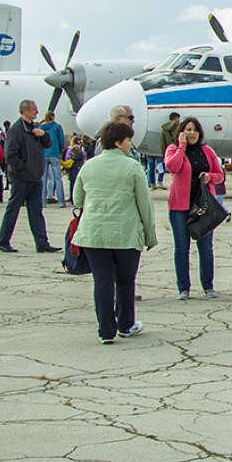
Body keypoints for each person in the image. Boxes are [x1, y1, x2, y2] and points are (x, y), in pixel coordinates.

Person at [73, 120, 157, 345]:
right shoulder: (132, 167)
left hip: (94, 233)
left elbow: (77, 199)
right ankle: (126, 324)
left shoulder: (89, 166)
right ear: (119, 142)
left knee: (102, 282)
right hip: (125, 234)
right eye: (129, 140)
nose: (131, 144)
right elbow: (144, 205)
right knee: (125, 281)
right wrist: (150, 234)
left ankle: (105, 330)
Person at [163, 116, 225, 299]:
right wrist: (182, 146)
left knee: (205, 247)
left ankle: (208, 285)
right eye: (188, 129)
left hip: (203, 205)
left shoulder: (207, 151)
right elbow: (172, 167)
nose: (191, 133)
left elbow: (220, 174)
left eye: (194, 130)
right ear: (181, 132)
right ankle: (184, 287)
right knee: (182, 247)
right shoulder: (173, 149)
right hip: (180, 206)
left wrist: (210, 177)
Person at [0, 100, 57, 254]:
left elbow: (48, 144)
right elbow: (10, 154)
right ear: (26, 111)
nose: (37, 113)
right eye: (34, 110)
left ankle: (42, 243)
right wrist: (22, 170)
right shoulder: (16, 130)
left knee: (36, 211)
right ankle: (3, 241)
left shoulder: (34, 128)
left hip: (35, 176)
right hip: (22, 177)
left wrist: (43, 134)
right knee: (13, 209)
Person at [39, 111, 66, 205]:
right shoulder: (57, 127)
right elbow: (61, 140)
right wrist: (60, 150)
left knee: (43, 178)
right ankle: (61, 202)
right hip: (54, 153)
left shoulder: (41, 127)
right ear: (53, 117)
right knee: (57, 178)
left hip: (43, 154)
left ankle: (42, 202)